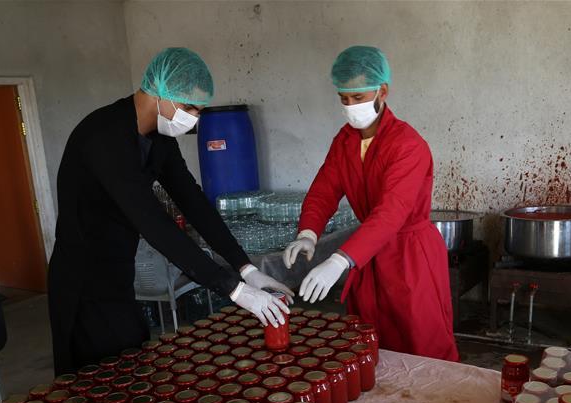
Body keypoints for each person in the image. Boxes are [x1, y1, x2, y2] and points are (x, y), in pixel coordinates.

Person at [49, 47, 291, 375]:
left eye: (199, 111)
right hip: (82, 280)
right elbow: (152, 222)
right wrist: (233, 289)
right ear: (160, 92)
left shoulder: (159, 139)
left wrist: (246, 268)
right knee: (98, 377)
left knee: (131, 360)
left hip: (118, 272)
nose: (194, 119)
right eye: (189, 108)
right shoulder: (103, 136)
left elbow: (194, 203)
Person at [283, 46, 458, 361]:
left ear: (382, 92)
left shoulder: (407, 145)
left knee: (421, 341)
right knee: (370, 344)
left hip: (409, 255)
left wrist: (340, 260)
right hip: (366, 255)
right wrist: (308, 232)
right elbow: (324, 190)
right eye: (344, 99)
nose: (351, 107)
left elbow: (391, 213)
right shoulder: (345, 140)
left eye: (358, 97)